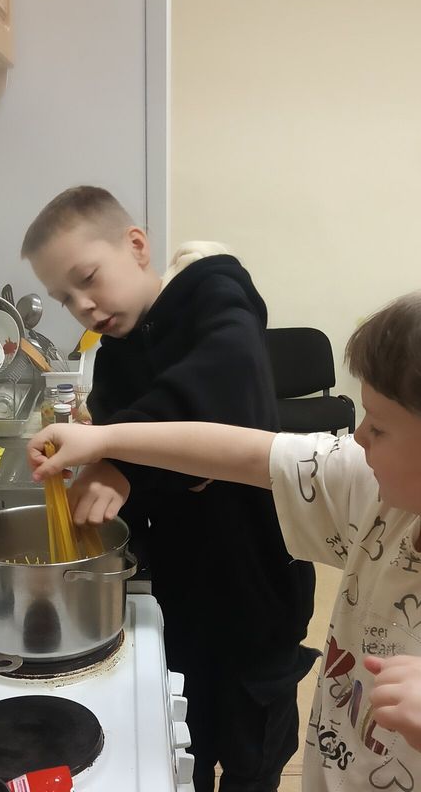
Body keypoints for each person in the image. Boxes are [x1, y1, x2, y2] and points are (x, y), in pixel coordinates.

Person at [28, 288, 421, 792]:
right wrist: (105, 441)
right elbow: (246, 453)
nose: (359, 436)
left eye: (380, 428)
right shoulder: (371, 489)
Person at [22, 185, 317, 792]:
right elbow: (138, 470)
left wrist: (118, 456)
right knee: (187, 737)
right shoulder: (115, 358)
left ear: (136, 246)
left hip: (256, 581)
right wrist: (100, 471)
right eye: (65, 299)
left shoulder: (216, 297)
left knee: (252, 750)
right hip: (182, 588)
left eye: (88, 279)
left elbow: (228, 396)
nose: (83, 306)